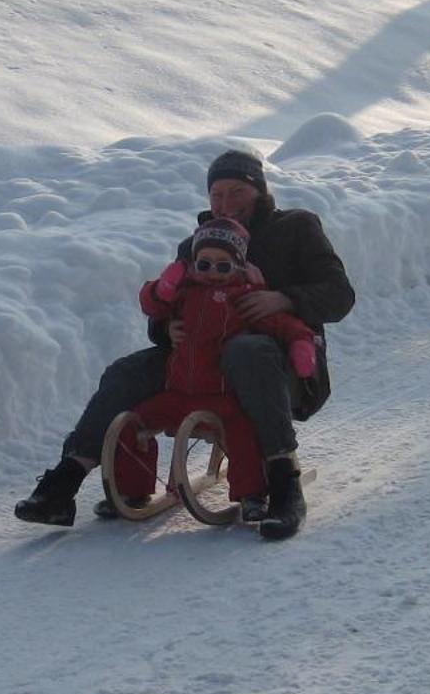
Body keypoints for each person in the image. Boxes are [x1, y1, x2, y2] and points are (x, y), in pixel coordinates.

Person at [14, 148, 356, 539]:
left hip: (283, 367)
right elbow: (167, 307)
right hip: (201, 363)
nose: (225, 203)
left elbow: (339, 295)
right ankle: (65, 481)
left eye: (236, 192)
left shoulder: (296, 227)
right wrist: (167, 330)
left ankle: (283, 482)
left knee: (246, 350)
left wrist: (285, 299)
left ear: (258, 192)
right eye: (217, 195)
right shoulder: (197, 244)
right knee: (128, 371)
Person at [109, 218, 319, 518]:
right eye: (204, 265)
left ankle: (252, 495)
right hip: (178, 394)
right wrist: (166, 285)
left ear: (238, 267)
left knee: (243, 434)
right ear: (192, 265)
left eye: (223, 266)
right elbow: (152, 304)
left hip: (220, 398)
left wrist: (302, 343)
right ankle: (133, 488)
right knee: (132, 424)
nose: (213, 274)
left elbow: (283, 324)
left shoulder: (244, 298)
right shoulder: (184, 294)